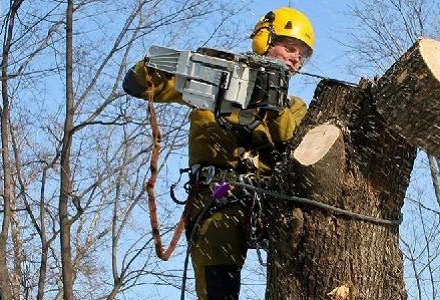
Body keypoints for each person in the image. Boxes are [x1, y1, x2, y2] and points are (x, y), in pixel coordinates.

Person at [122, 7, 314, 300]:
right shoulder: (216, 82)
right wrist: (174, 64)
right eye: (289, 47)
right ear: (265, 40)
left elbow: (295, 140)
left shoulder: (294, 107)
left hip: (272, 202)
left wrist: (270, 102)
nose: (295, 58)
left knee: (305, 268)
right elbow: (141, 84)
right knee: (218, 281)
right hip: (222, 193)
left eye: (301, 55)